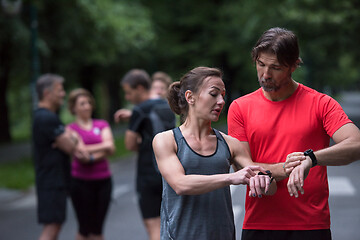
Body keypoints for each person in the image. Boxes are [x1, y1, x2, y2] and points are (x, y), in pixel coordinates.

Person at [227, 27, 360, 240]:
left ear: (293, 66)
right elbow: (242, 165)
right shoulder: (240, 107)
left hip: (311, 225)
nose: (265, 74)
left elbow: (356, 145)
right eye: (260, 64)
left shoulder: (321, 103)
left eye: (276, 68)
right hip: (259, 222)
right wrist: (286, 168)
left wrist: (311, 158)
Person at [152, 66, 276, 240]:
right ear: (190, 97)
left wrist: (264, 180)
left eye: (223, 95)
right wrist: (231, 178)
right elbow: (180, 184)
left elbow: (269, 188)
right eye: (213, 94)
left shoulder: (229, 143)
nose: (221, 101)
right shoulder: (166, 140)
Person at [115, 69, 175, 240]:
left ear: (140, 88)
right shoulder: (168, 105)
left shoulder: (140, 109)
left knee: (154, 226)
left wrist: (146, 143)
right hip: (172, 171)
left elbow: (129, 143)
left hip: (149, 173)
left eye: (128, 92)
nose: (127, 97)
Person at [32, 74, 85, 240]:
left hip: (52, 180)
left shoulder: (45, 116)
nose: (63, 94)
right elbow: (70, 146)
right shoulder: (46, 117)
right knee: (52, 228)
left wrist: (68, 136)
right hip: (52, 181)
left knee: (55, 226)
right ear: (47, 93)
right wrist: (73, 137)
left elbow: (67, 142)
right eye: (59, 90)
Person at [67, 88, 115, 240]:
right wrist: (103, 146)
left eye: (88, 102)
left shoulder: (101, 124)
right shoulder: (70, 129)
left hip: (103, 181)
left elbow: (111, 148)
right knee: (84, 229)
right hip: (81, 183)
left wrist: (92, 156)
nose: (87, 106)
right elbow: (80, 153)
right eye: (82, 103)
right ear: (73, 107)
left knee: (98, 228)